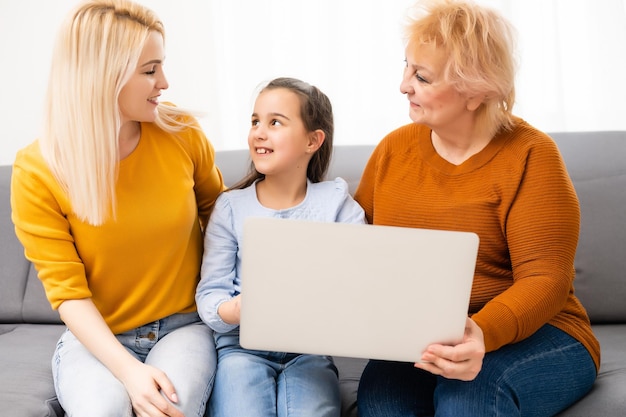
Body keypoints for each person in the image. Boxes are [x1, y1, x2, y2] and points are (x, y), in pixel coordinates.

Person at [354, 0, 600, 416]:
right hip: (422, 335)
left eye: (422, 76)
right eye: (407, 67)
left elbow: (547, 278)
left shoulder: (532, 154)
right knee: (382, 402)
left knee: (467, 398)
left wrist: (480, 332)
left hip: (541, 332)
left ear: (476, 91)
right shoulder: (393, 150)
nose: (403, 85)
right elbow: (357, 252)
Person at [10, 1, 224, 416]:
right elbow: (67, 293)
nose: (164, 82)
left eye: (160, 66)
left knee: (166, 409)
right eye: (149, 70)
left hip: (183, 326)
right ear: (102, 77)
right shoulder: (37, 170)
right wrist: (128, 372)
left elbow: (221, 217)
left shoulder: (182, 135)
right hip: (98, 337)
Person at [196, 77, 365, 417]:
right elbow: (210, 294)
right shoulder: (231, 207)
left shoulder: (336, 203)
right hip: (241, 348)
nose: (259, 131)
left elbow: (358, 285)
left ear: (313, 140)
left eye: (275, 122)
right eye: (255, 121)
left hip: (310, 351)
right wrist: (236, 309)